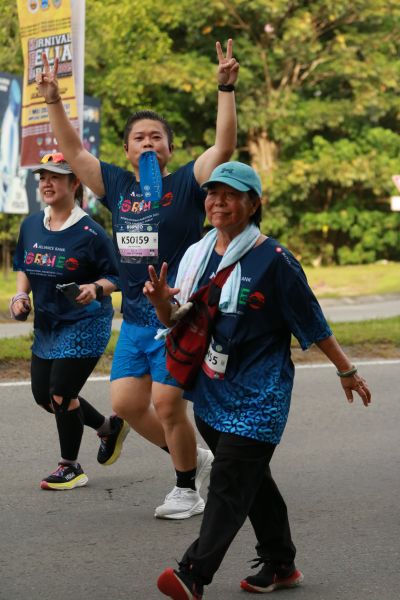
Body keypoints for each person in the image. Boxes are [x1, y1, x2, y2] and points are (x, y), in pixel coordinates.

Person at [143, 161, 372, 598]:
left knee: (230, 482)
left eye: (230, 195)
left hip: (260, 396)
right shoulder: (198, 254)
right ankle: (281, 562)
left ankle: (193, 574)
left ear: (253, 204)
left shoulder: (276, 260)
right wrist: (158, 303)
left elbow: (312, 320)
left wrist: (346, 369)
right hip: (211, 392)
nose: (218, 202)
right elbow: (176, 319)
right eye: (213, 194)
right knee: (253, 481)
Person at [34, 40, 239, 518]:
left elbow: (224, 146)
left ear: (169, 147)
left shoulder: (187, 183)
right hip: (136, 320)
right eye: (139, 138)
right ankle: (195, 459)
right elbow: (73, 150)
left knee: (168, 405)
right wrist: (54, 101)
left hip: (178, 317)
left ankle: (186, 489)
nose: (148, 143)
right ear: (126, 149)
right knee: (126, 404)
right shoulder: (118, 186)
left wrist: (225, 88)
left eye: (156, 137)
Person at [11, 152, 127, 490]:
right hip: (48, 323)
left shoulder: (91, 232)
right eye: (43, 177)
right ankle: (107, 428)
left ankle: (70, 466)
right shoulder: (31, 224)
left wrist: (95, 288)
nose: (47, 183)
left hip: (85, 321)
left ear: (75, 183)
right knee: (44, 397)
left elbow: (117, 276)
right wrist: (20, 296)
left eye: (56, 177)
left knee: (61, 392)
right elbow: (24, 265)